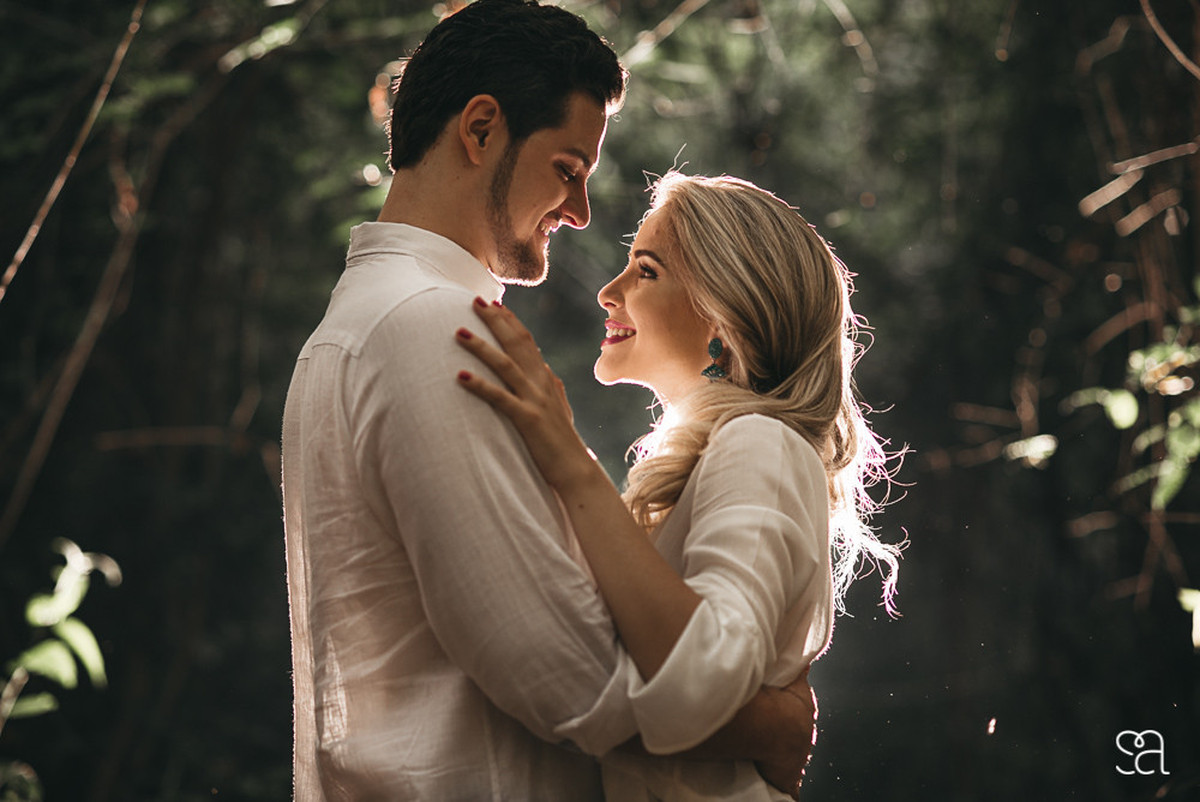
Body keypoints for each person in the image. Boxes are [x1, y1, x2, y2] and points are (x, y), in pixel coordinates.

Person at [281, 1, 816, 799]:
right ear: (481, 129)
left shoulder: (352, 329)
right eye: (568, 169)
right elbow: (574, 675)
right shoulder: (433, 328)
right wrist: (771, 723)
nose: (580, 212)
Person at [455, 171, 903, 800]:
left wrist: (568, 457)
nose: (609, 293)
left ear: (724, 316)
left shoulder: (760, 444)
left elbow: (700, 684)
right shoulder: (716, 455)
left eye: (646, 271)